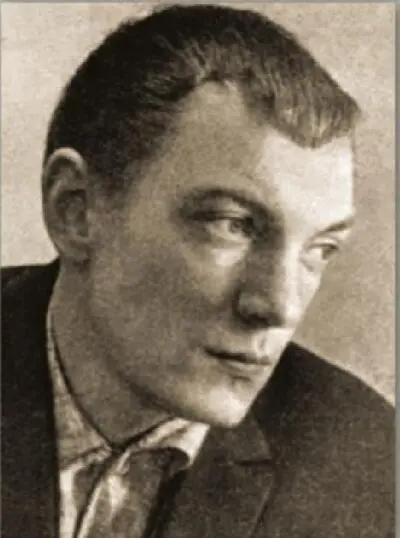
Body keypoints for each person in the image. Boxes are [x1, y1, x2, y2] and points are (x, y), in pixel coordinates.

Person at [2, 4, 393, 538]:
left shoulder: (367, 467)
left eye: (319, 249)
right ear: (76, 210)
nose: (280, 307)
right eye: (232, 224)